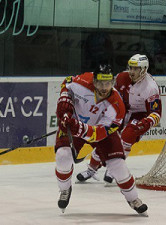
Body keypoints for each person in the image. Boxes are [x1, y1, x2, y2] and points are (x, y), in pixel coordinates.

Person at [55, 64, 148, 215]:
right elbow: (66, 82)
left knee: (118, 166)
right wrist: (65, 101)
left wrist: (80, 128)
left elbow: (101, 133)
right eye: (100, 83)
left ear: (113, 83)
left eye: (108, 83)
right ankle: (65, 189)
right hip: (74, 124)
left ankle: (133, 199)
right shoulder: (82, 82)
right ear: (94, 81)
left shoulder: (117, 105)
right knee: (62, 155)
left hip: (99, 131)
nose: (104, 87)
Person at [76, 54, 162, 184]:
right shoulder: (121, 77)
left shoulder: (151, 87)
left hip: (140, 115)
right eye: (131, 68)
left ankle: (114, 169)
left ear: (143, 69)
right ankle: (91, 169)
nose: (131, 72)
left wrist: (146, 122)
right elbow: (109, 93)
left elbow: (156, 113)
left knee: (127, 137)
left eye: (135, 69)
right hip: (122, 110)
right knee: (105, 137)